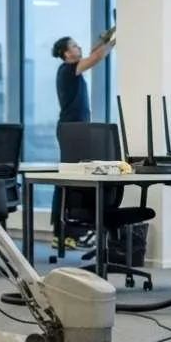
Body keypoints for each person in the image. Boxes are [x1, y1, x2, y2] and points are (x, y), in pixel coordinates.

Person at [50, 31, 114, 247]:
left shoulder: (70, 69)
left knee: (75, 179)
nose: (80, 48)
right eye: (75, 46)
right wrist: (115, 41)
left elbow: (93, 53)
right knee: (69, 179)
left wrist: (106, 39)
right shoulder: (68, 70)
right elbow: (95, 58)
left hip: (77, 131)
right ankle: (62, 231)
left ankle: (70, 231)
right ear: (67, 54)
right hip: (72, 132)